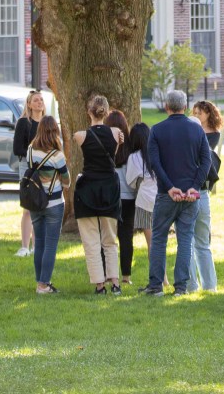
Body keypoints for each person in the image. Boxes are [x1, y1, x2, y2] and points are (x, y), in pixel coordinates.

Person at [140, 90, 211, 297]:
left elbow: (155, 163)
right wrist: (195, 186)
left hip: (166, 194)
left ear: (166, 107)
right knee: (185, 239)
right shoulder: (197, 130)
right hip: (189, 195)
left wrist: (169, 187)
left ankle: (155, 285)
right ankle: (181, 286)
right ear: (185, 107)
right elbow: (206, 161)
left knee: (159, 238)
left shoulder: (157, 130)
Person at [73, 95, 123, 296]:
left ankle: (99, 284)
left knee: (91, 240)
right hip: (109, 188)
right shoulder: (116, 133)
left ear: (89, 112)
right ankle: (116, 282)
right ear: (107, 112)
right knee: (110, 239)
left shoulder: (80, 135)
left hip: (87, 189)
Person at [27, 116, 71, 294]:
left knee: (39, 243)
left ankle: (40, 281)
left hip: (34, 201)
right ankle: (43, 284)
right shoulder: (57, 155)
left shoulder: (30, 150)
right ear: (55, 132)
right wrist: (62, 181)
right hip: (53, 202)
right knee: (51, 244)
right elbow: (66, 180)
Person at [125, 123, 166, 287]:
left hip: (144, 202)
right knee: (160, 241)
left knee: (152, 243)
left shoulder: (134, 157)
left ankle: (159, 280)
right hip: (162, 198)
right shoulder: (159, 151)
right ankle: (164, 278)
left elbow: (131, 182)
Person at [12, 90, 46, 257]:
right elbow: (17, 149)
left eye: (41, 99)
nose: (40, 102)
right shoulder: (24, 123)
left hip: (46, 166)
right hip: (27, 165)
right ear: (29, 104)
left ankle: (36, 245)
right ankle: (25, 246)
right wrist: (35, 154)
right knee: (28, 206)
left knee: (42, 205)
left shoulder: (47, 123)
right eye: (36, 100)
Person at [186, 115, 217, 293]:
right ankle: (210, 285)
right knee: (203, 242)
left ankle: (191, 285)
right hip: (203, 193)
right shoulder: (205, 147)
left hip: (186, 193)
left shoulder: (183, 148)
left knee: (187, 240)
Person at [105, 109, 136, 285]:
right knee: (126, 237)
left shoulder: (106, 145)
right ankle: (126, 276)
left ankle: (109, 275)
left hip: (110, 196)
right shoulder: (131, 145)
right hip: (129, 196)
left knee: (108, 238)